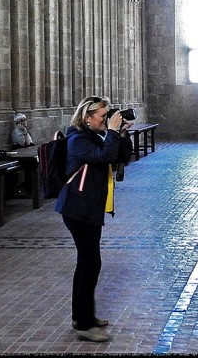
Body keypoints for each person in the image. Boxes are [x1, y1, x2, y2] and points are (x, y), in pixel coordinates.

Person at [55, 96, 131, 342]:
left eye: (107, 115)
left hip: (89, 207)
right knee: (88, 263)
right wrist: (111, 132)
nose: (106, 119)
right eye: (102, 115)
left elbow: (121, 157)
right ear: (87, 118)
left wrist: (120, 134)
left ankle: (84, 316)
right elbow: (105, 157)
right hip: (78, 209)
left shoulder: (92, 137)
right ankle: (83, 323)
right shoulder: (77, 140)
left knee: (91, 263)